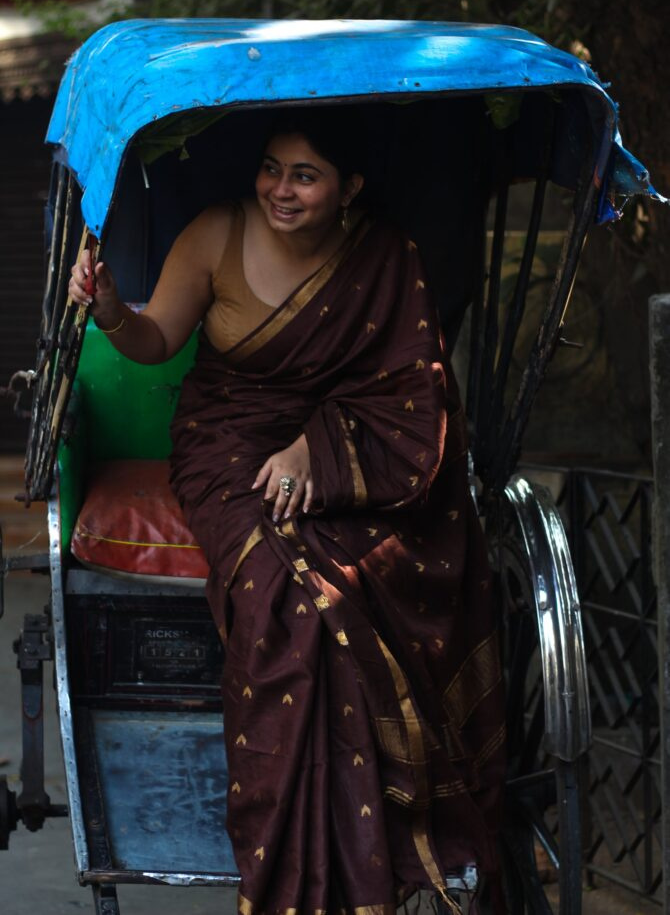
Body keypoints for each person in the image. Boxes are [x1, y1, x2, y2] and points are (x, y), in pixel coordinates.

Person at [69, 110, 505, 915]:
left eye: (305, 175)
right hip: (226, 442)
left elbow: (414, 400)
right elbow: (157, 337)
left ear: (350, 189)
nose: (280, 189)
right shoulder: (217, 232)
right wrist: (108, 311)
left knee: (382, 565)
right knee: (299, 597)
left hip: (348, 458)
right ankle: (304, 867)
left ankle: (392, 821)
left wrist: (320, 451)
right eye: (272, 168)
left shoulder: (385, 257)